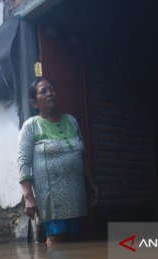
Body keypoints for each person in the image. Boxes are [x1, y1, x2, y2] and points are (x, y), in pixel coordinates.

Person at [18, 77, 98, 244]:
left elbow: (82, 156)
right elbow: (24, 162)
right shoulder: (31, 126)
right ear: (34, 102)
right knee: (57, 238)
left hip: (76, 193)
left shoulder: (71, 120)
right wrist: (28, 197)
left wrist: (91, 184)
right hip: (51, 196)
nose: (50, 93)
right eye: (43, 91)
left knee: (77, 239)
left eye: (51, 89)